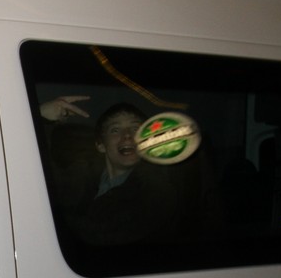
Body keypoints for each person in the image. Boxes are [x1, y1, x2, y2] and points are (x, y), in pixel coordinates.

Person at [41, 97, 178, 245]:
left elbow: (97, 238)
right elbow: (41, 179)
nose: (127, 135)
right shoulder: (79, 175)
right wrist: (42, 116)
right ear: (101, 145)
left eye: (135, 129)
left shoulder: (157, 194)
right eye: (115, 130)